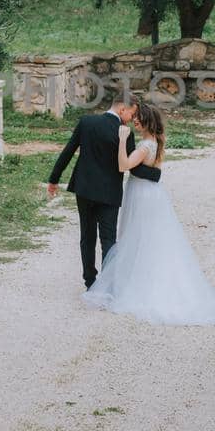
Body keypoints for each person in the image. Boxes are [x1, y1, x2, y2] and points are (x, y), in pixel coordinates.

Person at [83, 102, 215, 326]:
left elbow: (123, 165)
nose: (134, 121)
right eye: (134, 117)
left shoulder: (146, 145)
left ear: (147, 120)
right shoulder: (152, 141)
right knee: (146, 238)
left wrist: (123, 140)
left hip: (142, 194)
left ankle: (140, 284)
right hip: (148, 192)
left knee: (140, 237)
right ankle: (139, 279)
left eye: (138, 118)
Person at [47, 97, 147, 289]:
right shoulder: (125, 133)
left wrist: (54, 179)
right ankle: (108, 285)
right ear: (122, 109)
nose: (131, 119)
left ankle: (90, 282)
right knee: (108, 238)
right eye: (131, 114)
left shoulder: (86, 122)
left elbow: (68, 151)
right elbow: (131, 168)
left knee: (87, 235)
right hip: (109, 193)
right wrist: (155, 171)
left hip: (84, 189)